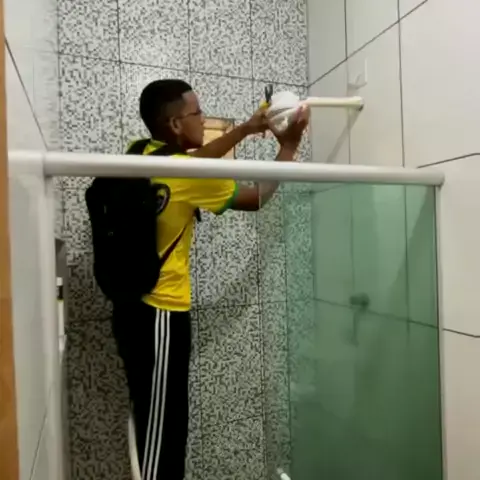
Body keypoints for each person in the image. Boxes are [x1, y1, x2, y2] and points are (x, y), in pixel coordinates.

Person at [112, 79, 310, 480]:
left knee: (154, 419)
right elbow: (256, 197)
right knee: (164, 433)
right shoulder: (187, 175)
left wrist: (247, 129)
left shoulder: (139, 152)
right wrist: (288, 147)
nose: (203, 119)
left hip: (132, 311)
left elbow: (194, 161)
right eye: (197, 112)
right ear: (174, 124)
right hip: (161, 313)